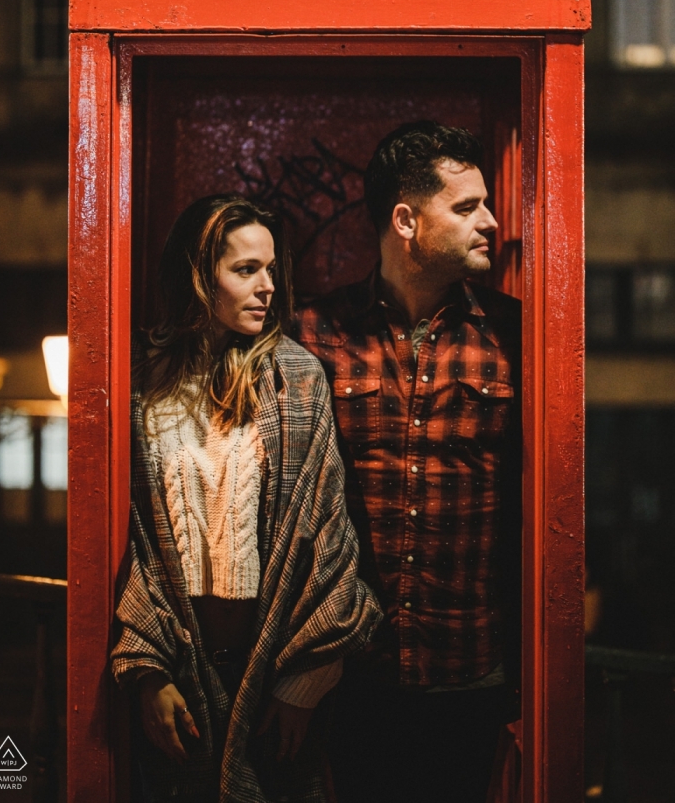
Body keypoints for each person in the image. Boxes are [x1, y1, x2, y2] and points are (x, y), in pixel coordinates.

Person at [111, 194, 381, 803]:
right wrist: (149, 673)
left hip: (275, 671)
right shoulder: (141, 379)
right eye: (245, 270)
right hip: (180, 666)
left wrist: (304, 684)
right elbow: (133, 543)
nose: (268, 288)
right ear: (199, 279)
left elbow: (329, 534)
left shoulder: (296, 378)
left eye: (271, 270)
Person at [294, 122, 522, 803]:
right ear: (406, 220)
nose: (492, 221)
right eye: (466, 207)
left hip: (471, 672)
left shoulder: (514, 333)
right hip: (349, 673)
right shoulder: (315, 334)